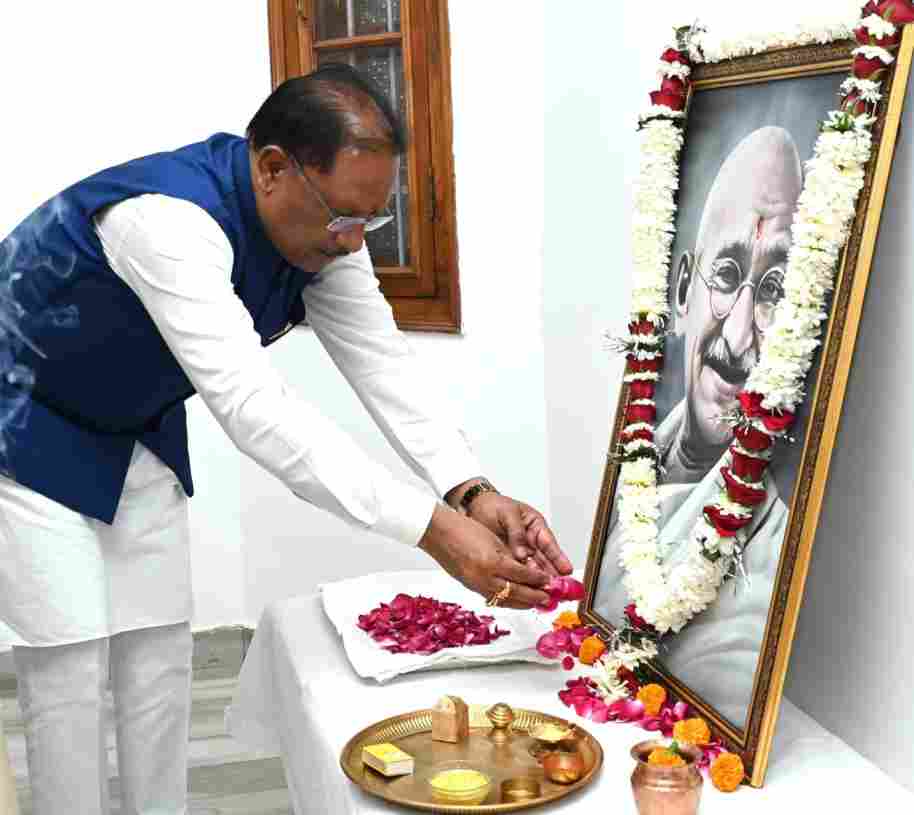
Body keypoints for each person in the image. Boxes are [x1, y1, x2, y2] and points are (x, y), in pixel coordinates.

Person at [0, 64, 571, 815]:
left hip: (134, 425)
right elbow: (255, 409)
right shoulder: (166, 223)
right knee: (69, 670)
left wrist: (470, 491)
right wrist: (435, 531)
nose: (354, 241)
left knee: (159, 656)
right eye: (343, 218)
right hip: (21, 419)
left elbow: (382, 362)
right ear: (273, 168)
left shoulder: (326, 237)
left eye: (371, 221)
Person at [595, 126, 803, 729]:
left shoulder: (766, 553)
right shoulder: (638, 454)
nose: (738, 338)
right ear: (683, 288)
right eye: (727, 274)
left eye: (773, 291)